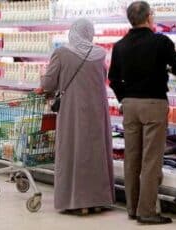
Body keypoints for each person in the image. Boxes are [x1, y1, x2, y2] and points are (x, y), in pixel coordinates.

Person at [108, 1, 176, 225]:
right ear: (149, 17)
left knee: (132, 157)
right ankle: (147, 211)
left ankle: (132, 208)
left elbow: (113, 79)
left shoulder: (120, 45)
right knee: (151, 159)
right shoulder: (161, 42)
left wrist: (125, 98)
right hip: (153, 104)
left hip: (130, 106)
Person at [37, 18, 115, 215]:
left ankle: (76, 202)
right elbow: (103, 80)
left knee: (73, 151)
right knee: (95, 152)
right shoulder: (99, 54)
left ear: (73, 33)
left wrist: (42, 85)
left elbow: (48, 84)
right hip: (97, 111)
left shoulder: (62, 52)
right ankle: (97, 200)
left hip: (72, 110)